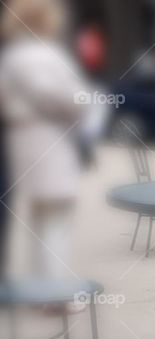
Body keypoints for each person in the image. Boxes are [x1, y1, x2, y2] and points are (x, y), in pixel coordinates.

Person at [0, 0, 91, 281]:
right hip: (49, 141)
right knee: (56, 220)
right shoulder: (41, 54)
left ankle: (44, 289)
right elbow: (61, 95)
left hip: (24, 140)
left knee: (42, 219)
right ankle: (56, 295)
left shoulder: (12, 55)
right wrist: (82, 103)